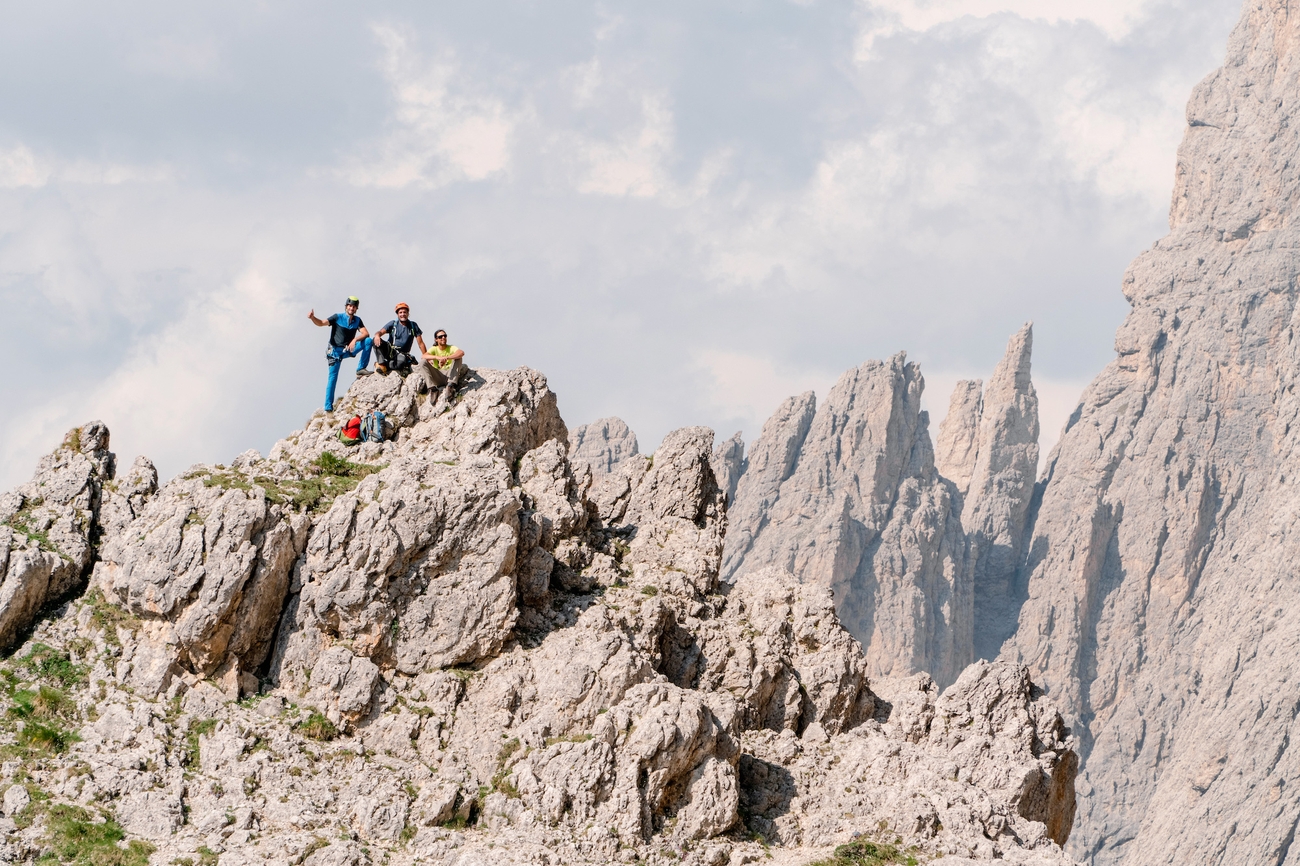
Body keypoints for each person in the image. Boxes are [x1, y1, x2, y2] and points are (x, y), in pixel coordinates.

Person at [308, 297, 372, 412]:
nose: (351, 308)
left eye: (354, 306)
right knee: (332, 378)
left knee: (368, 341)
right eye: (350, 306)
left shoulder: (357, 320)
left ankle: (361, 368)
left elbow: (366, 333)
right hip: (334, 352)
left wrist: (355, 340)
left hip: (348, 349)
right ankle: (328, 408)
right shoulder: (337, 317)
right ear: (346, 306)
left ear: (356, 308)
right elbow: (322, 323)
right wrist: (313, 318)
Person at [372, 302, 434, 390]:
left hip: (402, 353)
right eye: (400, 312)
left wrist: (427, 357)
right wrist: (377, 336)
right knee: (374, 341)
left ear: (408, 313)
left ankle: (385, 365)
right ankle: (381, 364)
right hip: (390, 350)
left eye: (405, 312)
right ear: (397, 314)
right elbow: (381, 332)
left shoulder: (413, 326)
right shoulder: (393, 324)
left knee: (401, 362)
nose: (403, 314)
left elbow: (420, 343)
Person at [424, 329, 465, 407]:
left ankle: (450, 387)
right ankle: (433, 389)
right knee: (423, 363)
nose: (443, 338)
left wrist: (447, 358)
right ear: (436, 339)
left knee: (458, 357)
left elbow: (461, 352)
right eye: (440, 337)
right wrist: (437, 358)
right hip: (438, 376)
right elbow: (424, 356)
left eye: (445, 336)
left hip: (450, 375)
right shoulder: (434, 349)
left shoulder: (451, 347)